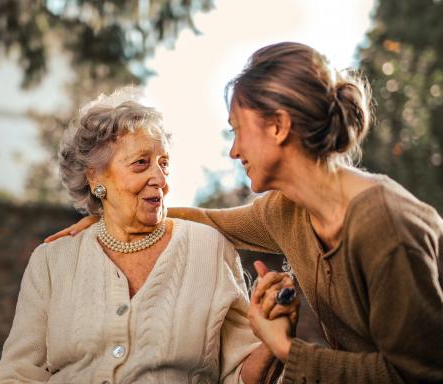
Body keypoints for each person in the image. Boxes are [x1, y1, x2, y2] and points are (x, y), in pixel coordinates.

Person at [48, 42, 443, 383]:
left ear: (278, 127)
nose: (234, 151)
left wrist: (285, 348)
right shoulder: (287, 211)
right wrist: (114, 215)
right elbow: (208, 220)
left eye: (237, 130)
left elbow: (418, 374)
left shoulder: (385, 227)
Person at [0, 88, 294, 384]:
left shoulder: (209, 248)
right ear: (95, 177)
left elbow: (241, 376)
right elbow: (17, 374)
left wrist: (272, 342)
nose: (159, 179)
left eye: (164, 164)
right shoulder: (52, 261)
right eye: (141, 163)